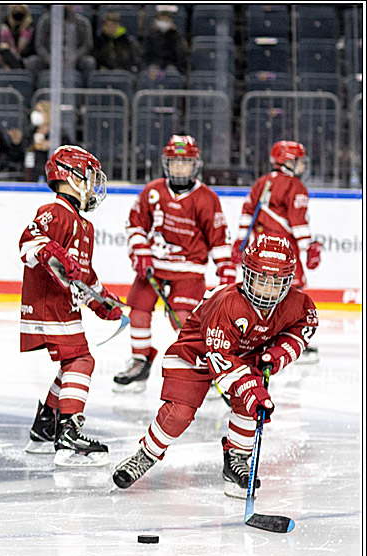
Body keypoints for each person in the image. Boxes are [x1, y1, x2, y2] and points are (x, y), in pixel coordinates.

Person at [113, 234, 318, 496]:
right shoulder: (227, 304)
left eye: (277, 283)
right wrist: (250, 388)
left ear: (289, 282)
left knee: (248, 406)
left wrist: (276, 355)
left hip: (242, 356)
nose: (268, 290)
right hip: (196, 352)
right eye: (262, 280)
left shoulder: (298, 304)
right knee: (180, 413)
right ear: (247, 274)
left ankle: (236, 461)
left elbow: (304, 328)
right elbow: (220, 357)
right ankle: (147, 454)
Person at [19, 145, 123, 466]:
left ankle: (44, 426)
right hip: (48, 303)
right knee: (81, 361)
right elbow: (28, 245)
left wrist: (101, 300)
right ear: (73, 177)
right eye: (91, 177)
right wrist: (53, 252)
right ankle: (68, 433)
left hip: (64, 305)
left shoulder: (84, 225)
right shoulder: (55, 211)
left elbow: (82, 275)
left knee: (72, 363)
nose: (94, 186)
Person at [113, 135, 234, 393]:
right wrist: (141, 251)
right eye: (175, 163)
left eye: (185, 163)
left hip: (189, 270)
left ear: (195, 165)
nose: (179, 168)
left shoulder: (206, 198)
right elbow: (135, 224)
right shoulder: (153, 191)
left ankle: (201, 364)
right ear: (166, 164)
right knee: (138, 310)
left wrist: (226, 271)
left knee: (183, 319)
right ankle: (140, 360)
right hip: (154, 267)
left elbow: (219, 237)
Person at [232, 140, 322, 363]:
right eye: (299, 161)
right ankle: (289, 339)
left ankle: (258, 337)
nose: (302, 166)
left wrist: (240, 242)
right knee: (294, 290)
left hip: (261, 248)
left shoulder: (261, 182)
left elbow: (247, 213)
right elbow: (298, 221)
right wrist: (308, 247)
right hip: (284, 250)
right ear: (288, 161)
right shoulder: (295, 186)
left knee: (261, 291)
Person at [25, 6, 97, 83]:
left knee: (89, 62)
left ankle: (84, 92)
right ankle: (36, 91)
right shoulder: (45, 21)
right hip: (50, 59)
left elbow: (86, 46)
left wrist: (72, 59)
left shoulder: (83, 22)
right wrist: (51, 60)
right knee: (33, 62)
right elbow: (40, 46)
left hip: (75, 59)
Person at [0, 4, 34, 70]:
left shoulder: (30, 29)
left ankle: (18, 67)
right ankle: (18, 68)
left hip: (24, 57)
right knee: (3, 51)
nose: (18, 12)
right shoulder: (4, 27)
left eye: (21, 9)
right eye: (16, 10)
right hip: (7, 56)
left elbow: (32, 47)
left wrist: (18, 54)